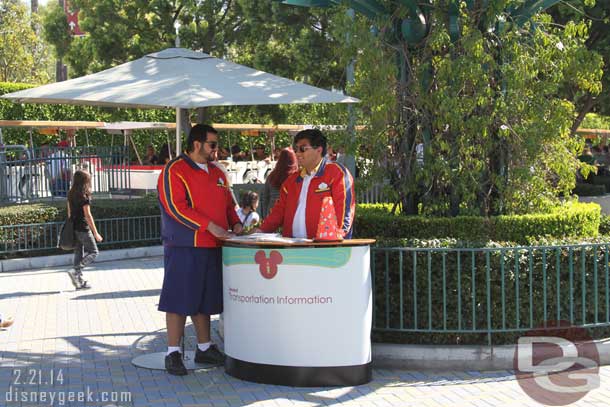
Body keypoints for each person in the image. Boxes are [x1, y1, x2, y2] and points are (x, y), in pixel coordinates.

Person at [157, 124, 243, 376]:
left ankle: (204, 348)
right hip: (186, 245)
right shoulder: (174, 170)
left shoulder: (218, 172)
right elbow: (175, 207)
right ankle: (172, 352)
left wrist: (236, 222)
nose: (217, 150)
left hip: (214, 245)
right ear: (197, 144)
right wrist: (210, 226)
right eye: (213, 145)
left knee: (204, 299)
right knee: (178, 299)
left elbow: (229, 203)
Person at [258, 129, 355, 239]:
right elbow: (278, 211)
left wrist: (337, 236)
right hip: (293, 248)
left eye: (303, 149)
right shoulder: (291, 180)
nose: (298, 153)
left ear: (319, 149)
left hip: (326, 248)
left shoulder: (337, 173)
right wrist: (260, 230)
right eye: (296, 149)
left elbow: (345, 212)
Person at [67, 170, 103, 290]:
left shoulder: (71, 193)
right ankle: (76, 270)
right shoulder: (84, 195)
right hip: (83, 228)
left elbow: (69, 213)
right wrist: (95, 233)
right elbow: (88, 215)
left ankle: (79, 282)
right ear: (85, 181)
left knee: (78, 253)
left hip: (74, 227)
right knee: (94, 252)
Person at [262, 147, 297, 215]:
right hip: (291, 212)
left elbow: (265, 198)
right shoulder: (297, 177)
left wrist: (265, 216)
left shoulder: (271, 176)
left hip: (273, 210)